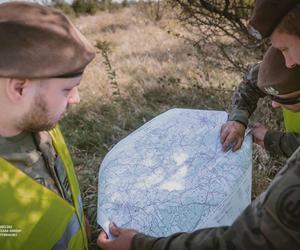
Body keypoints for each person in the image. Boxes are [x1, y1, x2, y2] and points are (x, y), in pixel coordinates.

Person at [97, 2, 300, 250]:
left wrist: (141, 245)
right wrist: (238, 118)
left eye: (287, 48)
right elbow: (253, 81)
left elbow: (251, 238)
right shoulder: (283, 66)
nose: (288, 62)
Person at [0, 2, 95, 250]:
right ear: (19, 87)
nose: (76, 98)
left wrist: (77, 219)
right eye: (67, 89)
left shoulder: (44, 121)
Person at [220, 46, 300, 157]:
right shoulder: (287, 60)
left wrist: (272, 139)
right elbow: (252, 82)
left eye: (287, 100)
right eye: (273, 97)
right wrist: (238, 118)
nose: (274, 105)